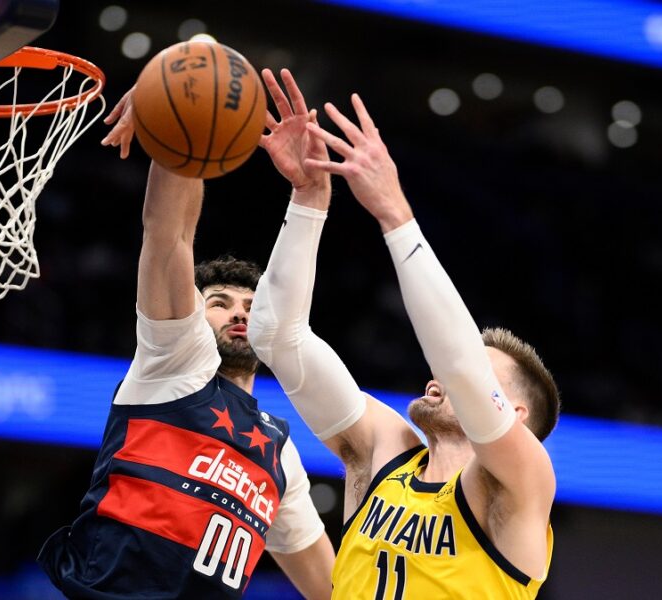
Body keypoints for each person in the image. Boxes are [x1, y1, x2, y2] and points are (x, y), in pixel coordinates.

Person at [248, 70, 561, 598]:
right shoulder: (383, 452)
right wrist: (308, 198)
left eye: (487, 377)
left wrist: (394, 212)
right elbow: (277, 337)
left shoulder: (518, 484)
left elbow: (461, 367)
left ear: (518, 417)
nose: (440, 376)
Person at [36, 82, 334, 599]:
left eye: (251, 306)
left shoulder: (281, 454)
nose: (240, 313)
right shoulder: (177, 360)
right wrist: (185, 112)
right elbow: (169, 233)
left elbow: (333, 588)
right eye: (220, 303)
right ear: (196, 315)